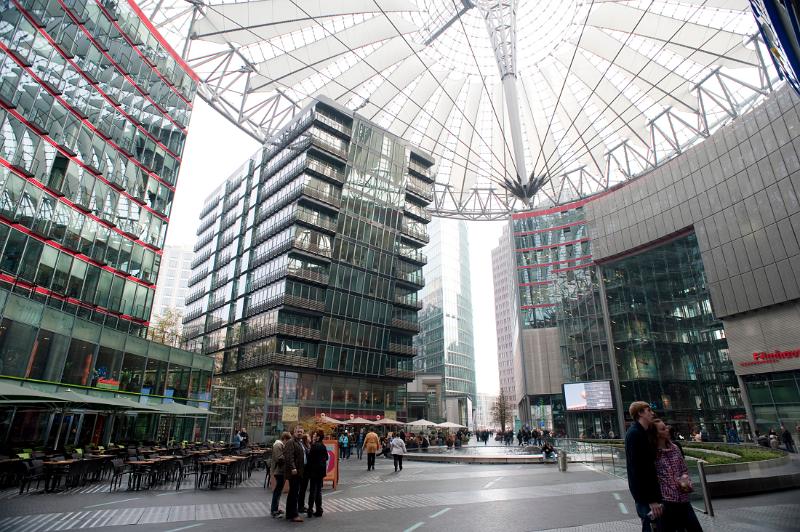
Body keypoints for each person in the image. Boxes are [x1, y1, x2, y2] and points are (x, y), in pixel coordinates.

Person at [648, 418, 703, 531]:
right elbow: (648, 478)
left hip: (683, 498)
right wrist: (653, 501)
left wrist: (684, 478)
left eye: (666, 427)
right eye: (663, 429)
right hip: (666, 501)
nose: (667, 430)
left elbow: (683, 468)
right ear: (656, 434)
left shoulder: (675, 448)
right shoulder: (652, 453)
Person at [625, 401, 662, 532]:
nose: (652, 413)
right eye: (648, 410)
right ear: (640, 413)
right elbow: (640, 469)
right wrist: (651, 499)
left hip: (646, 495)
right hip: (646, 497)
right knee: (652, 526)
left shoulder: (641, 432)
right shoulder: (635, 434)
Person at [283, 425, 306, 522]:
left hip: (300, 471)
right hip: (294, 472)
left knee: (293, 493)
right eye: (298, 431)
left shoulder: (300, 442)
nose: (300, 433)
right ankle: (294, 514)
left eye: (301, 431)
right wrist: (293, 467)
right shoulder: (291, 442)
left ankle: (289, 514)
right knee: (294, 494)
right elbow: (289, 456)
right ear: (294, 432)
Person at [306, 430, 328, 518]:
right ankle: (319, 509)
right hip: (321, 471)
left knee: (312, 491)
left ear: (318, 437)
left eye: (315, 435)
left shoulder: (314, 446)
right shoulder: (323, 446)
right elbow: (326, 457)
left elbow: (309, 459)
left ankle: (310, 510)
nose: (314, 436)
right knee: (318, 491)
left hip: (313, 471)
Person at [270, 432, 291, 518]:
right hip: (279, 471)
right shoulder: (278, 445)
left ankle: (275, 508)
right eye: (288, 441)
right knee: (277, 491)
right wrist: (287, 454)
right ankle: (274, 510)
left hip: (280, 471)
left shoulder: (279, 445)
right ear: (285, 439)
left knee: (278, 491)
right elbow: (279, 459)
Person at [296, 434, 311, 514]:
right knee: (302, 489)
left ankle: (301, 505)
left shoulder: (307, 446)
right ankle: (300, 506)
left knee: (303, 489)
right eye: (308, 437)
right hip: (304, 470)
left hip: (306, 469)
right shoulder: (304, 446)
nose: (310, 437)